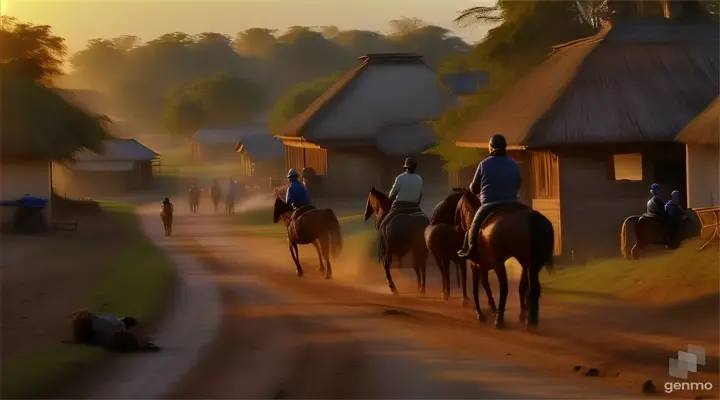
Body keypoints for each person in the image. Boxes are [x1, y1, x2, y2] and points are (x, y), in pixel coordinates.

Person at [458, 134, 522, 259]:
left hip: (490, 204)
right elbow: (518, 183)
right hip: (512, 203)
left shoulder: (484, 164)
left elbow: (474, 188)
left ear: (491, 147)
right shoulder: (514, 164)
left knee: (474, 225)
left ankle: (471, 249)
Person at [379, 158, 424, 231]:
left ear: (406, 167)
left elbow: (392, 194)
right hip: (415, 207)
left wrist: (390, 197)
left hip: (399, 207)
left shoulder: (400, 178)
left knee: (383, 224)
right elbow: (421, 195)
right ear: (414, 168)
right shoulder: (419, 178)